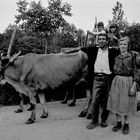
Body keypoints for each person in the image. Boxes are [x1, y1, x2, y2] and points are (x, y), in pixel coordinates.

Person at [64, 33, 120, 129]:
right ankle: (94, 121)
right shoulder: (93, 50)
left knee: (106, 101)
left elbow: (123, 47)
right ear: (98, 41)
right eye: (100, 39)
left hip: (108, 78)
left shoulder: (112, 51)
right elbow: (80, 48)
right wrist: (68, 51)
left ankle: (103, 120)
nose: (101, 40)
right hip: (96, 78)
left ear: (106, 41)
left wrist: (117, 39)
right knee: (95, 101)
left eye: (103, 39)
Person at [107, 36, 140, 135]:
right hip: (117, 81)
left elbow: (137, 71)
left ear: (128, 45)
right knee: (116, 102)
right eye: (121, 44)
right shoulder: (116, 58)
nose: (123, 46)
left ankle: (126, 124)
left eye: (125, 44)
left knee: (126, 104)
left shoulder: (133, 56)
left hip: (128, 81)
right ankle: (118, 123)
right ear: (118, 45)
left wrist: (134, 84)